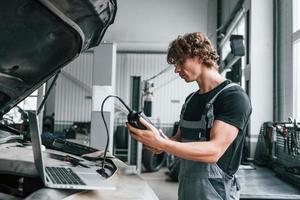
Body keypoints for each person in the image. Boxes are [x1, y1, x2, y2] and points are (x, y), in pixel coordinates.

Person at [126, 32, 252, 200]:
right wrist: (157, 142)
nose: (177, 70)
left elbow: (214, 151)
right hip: (186, 189)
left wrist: (162, 143)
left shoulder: (233, 97)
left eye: (180, 61)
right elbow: (179, 140)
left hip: (216, 192)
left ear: (199, 56)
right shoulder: (190, 100)